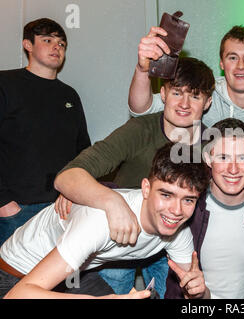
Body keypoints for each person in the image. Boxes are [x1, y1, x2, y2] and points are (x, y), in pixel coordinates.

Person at [53, 57, 215, 297]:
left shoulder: (214, 143)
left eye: (195, 96)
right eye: (177, 92)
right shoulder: (140, 130)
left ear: (208, 102)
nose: (184, 103)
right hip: (121, 238)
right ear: (163, 93)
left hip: (175, 241)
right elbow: (69, 175)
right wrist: (97, 197)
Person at [1, 143, 211, 299]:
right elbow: (18, 295)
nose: (176, 211)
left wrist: (200, 292)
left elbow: (193, 291)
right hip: (18, 275)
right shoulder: (99, 222)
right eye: (166, 195)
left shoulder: (178, 230)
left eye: (188, 200)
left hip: (76, 275)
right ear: (146, 188)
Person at [165, 118, 244, 298]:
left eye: (242, 158)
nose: (233, 169)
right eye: (223, 157)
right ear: (208, 159)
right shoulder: (187, 207)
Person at [0, 18, 91, 245]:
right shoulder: (5, 83)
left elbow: (84, 152)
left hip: (63, 209)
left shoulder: (69, 95)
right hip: (16, 210)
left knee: (60, 281)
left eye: (61, 44)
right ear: (28, 45)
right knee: (13, 281)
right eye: (47, 40)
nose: (56, 47)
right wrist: (4, 203)